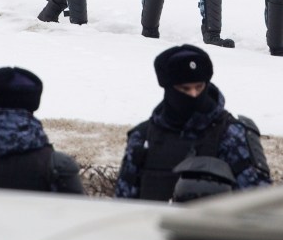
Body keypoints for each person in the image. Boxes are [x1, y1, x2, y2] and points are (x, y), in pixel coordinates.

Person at [114, 44, 273, 201]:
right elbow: (123, 204)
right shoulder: (143, 137)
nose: (194, 95)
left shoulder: (231, 135)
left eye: (199, 87)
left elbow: (258, 202)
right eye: (185, 89)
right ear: (169, 88)